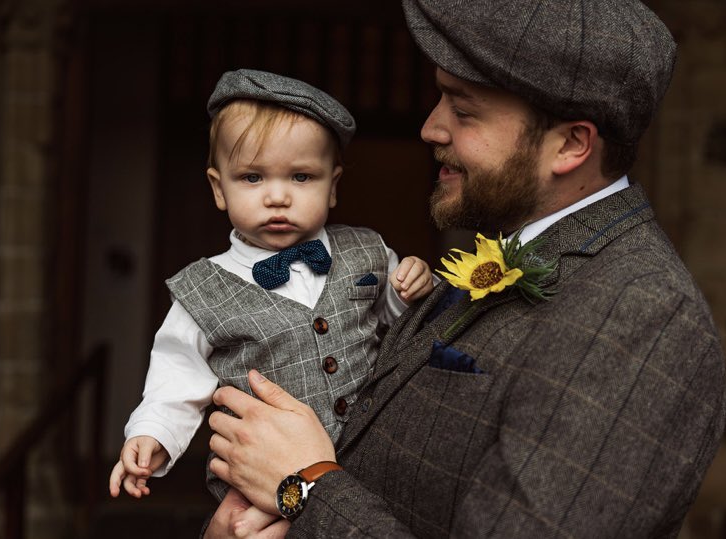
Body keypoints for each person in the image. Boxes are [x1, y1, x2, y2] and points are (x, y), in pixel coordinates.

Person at [204, 1, 726, 537]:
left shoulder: (643, 314)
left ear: (571, 145)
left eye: (464, 109)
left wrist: (304, 485)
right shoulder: (501, 257)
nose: (431, 128)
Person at [107, 69, 435, 501]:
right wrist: (152, 433)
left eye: (301, 177)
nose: (277, 196)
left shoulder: (368, 250)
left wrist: (408, 289)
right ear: (219, 189)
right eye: (252, 177)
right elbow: (176, 376)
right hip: (260, 479)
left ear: (332, 186)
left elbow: (400, 327)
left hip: (370, 460)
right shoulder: (204, 289)